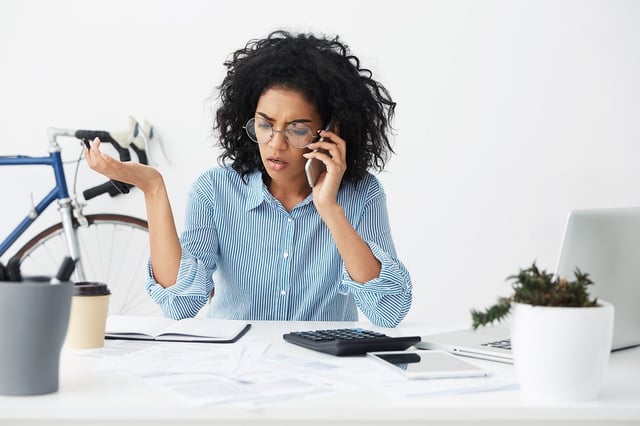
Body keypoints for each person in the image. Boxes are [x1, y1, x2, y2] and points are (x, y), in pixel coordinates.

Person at [84, 30, 412, 327]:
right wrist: (152, 188)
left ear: (331, 131)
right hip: (236, 369)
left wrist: (328, 207)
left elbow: (389, 311)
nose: (276, 143)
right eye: (265, 124)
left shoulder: (362, 194)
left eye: (297, 129)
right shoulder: (215, 190)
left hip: (324, 371)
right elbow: (179, 303)